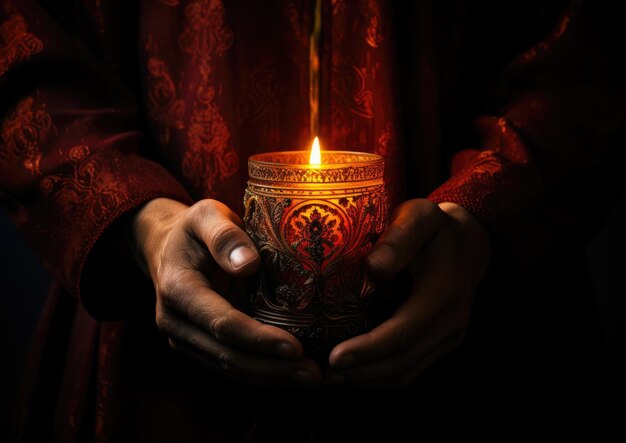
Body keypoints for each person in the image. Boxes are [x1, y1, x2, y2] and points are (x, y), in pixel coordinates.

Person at [1, 0, 623, 441]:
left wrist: (485, 215)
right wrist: (144, 226)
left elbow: (585, 54)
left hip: (480, 345)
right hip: (155, 362)